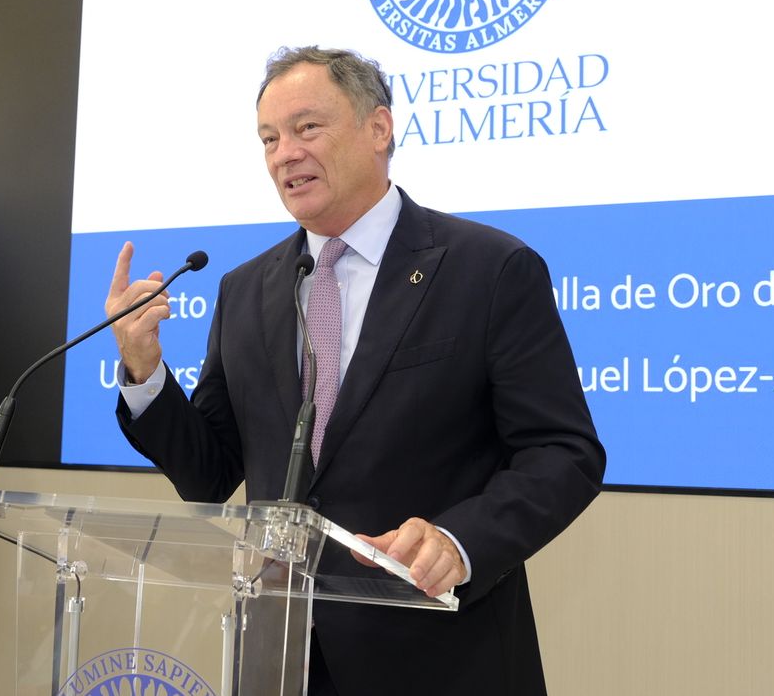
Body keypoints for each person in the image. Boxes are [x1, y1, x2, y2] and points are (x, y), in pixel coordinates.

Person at [106, 46, 605, 695]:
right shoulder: (244, 289)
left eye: (307, 128)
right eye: (269, 138)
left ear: (379, 128)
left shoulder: (489, 268)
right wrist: (144, 370)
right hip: (280, 653)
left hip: (438, 653)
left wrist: (459, 540)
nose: (285, 152)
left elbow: (562, 452)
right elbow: (210, 470)